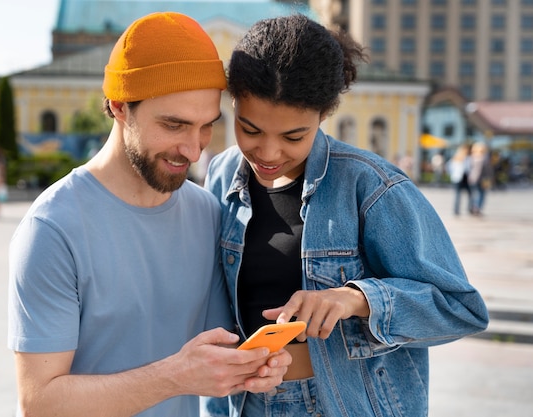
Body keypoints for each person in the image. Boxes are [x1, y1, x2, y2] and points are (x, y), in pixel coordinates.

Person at [7, 12, 291, 417]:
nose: (194, 150)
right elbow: (40, 402)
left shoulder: (205, 211)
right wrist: (176, 377)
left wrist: (249, 365)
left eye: (206, 127)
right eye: (174, 125)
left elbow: (212, 349)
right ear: (121, 106)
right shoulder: (52, 230)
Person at [204, 14, 489, 417]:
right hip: (244, 403)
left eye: (293, 136)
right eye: (250, 130)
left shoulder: (371, 186)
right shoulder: (220, 175)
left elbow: (460, 309)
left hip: (340, 404)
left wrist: (355, 299)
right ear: (233, 104)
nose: (268, 153)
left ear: (323, 115)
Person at [467, 141, 493, 215]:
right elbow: (487, 170)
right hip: (482, 179)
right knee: (481, 194)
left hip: (472, 178)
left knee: (473, 194)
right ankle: (477, 208)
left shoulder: (472, 157)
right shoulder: (484, 158)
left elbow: (470, 168)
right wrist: (490, 177)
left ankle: (472, 207)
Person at [447, 144, 472, 216]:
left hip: (462, 178)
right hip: (460, 178)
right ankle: (458, 209)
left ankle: (462, 209)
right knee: (459, 195)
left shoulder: (456, 158)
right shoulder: (463, 158)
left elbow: (448, 167)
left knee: (461, 194)